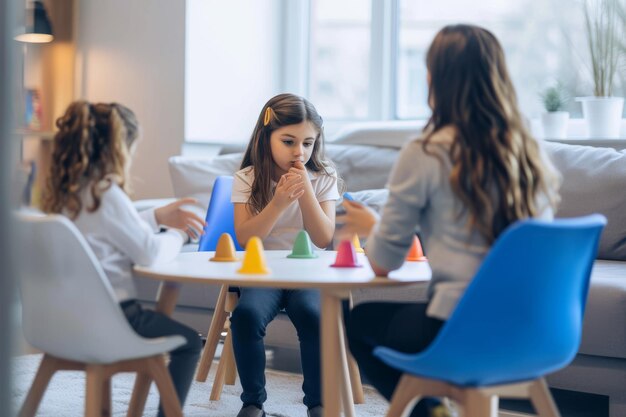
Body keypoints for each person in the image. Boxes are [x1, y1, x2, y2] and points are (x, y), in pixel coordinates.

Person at [338, 24, 561, 417]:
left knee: (360, 322)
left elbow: (382, 263)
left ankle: (429, 412)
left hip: (460, 329)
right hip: (539, 328)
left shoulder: (427, 151)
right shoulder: (529, 151)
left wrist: (373, 227)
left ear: (435, 79)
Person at [41, 101, 204, 417]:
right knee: (189, 342)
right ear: (119, 148)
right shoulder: (107, 193)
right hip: (111, 319)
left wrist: (156, 216)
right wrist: (179, 235)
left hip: (63, 318)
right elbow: (150, 253)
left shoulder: (68, 194)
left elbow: (103, 230)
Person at [230, 93, 340, 417]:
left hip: (308, 275)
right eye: (289, 141)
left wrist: (305, 190)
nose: (299, 152)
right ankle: (253, 402)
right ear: (266, 139)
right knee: (246, 316)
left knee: (314, 316)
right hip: (262, 272)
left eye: (308, 143)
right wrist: (277, 202)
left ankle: (317, 403)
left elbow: (322, 238)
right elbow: (247, 238)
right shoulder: (248, 178)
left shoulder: (323, 177)